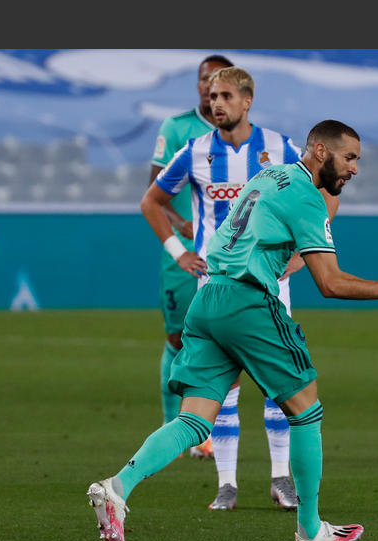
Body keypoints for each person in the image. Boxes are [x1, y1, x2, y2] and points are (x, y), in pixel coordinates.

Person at [88, 118, 378, 541]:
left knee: (193, 422)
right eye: (349, 158)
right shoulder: (305, 194)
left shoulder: (269, 175)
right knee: (306, 410)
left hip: (207, 299)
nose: (355, 169)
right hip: (248, 304)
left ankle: (117, 487)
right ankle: (309, 530)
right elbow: (331, 283)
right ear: (321, 152)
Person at [149, 65, 338, 512]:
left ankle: (280, 479)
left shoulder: (279, 147)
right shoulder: (194, 151)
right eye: (211, 96)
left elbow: (320, 193)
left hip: (271, 283)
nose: (215, 103)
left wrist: (303, 252)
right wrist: (179, 252)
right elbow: (152, 200)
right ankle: (227, 483)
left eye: (225, 96)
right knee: (224, 386)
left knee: (279, 386)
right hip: (215, 285)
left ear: (247, 100)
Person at [149, 53, 233, 462]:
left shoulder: (249, 141)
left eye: (217, 81)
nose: (208, 87)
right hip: (186, 257)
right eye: (203, 80)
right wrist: (181, 228)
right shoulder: (178, 128)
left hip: (232, 261)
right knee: (178, 339)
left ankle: (205, 430)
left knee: (221, 345)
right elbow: (154, 196)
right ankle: (174, 426)